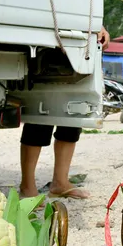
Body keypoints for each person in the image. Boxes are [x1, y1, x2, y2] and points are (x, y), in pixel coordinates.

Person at [18, 26, 110, 200]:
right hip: (47, 39)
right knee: (40, 111)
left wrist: (100, 27)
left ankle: (60, 182)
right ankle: (27, 186)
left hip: (77, 43)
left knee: (73, 113)